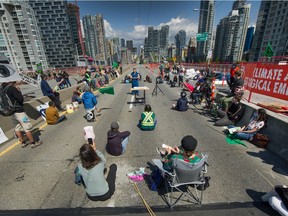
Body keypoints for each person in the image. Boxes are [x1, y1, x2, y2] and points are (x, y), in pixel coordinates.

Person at [3, 82, 42, 148]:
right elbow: (20, 99)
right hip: (19, 111)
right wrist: (18, 91)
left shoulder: (3, 90)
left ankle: (23, 142)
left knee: (17, 128)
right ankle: (33, 143)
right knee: (27, 127)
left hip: (11, 112)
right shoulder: (12, 88)